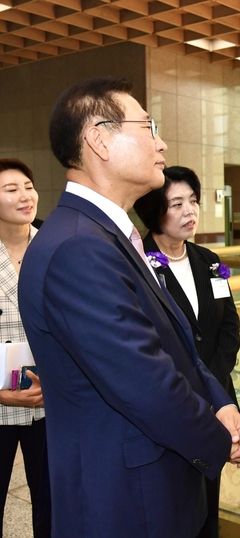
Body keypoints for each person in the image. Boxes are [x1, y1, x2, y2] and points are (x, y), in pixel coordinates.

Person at [17, 77, 240, 538]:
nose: (161, 142)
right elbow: (146, 382)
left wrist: (220, 402)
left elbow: (174, 344)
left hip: (147, 487)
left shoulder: (104, 235)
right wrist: (218, 438)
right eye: (148, 127)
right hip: (127, 501)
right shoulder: (78, 248)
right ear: (100, 141)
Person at [134, 165, 240, 538]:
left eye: (193, 201)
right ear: (153, 211)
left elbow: (229, 328)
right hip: (169, 405)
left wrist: (213, 382)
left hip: (216, 405)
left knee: (208, 503)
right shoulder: (138, 264)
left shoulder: (210, 262)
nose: (189, 211)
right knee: (172, 506)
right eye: (176, 203)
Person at [0, 158, 50, 538]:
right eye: (11, 189)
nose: (24, 196)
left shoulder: (55, 245)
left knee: (52, 503)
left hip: (52, 401)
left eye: (28, 186)